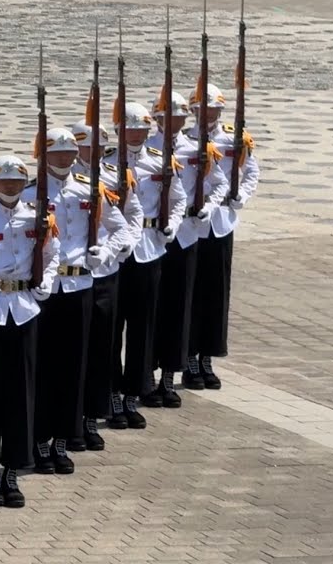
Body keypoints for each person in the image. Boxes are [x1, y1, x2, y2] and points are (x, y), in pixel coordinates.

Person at [22, 127, 131, 475]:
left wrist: (107, 251)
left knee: (74, 366)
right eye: (57, 153)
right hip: (45, 292)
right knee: (43, 367)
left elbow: (124, 229)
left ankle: (62, 441)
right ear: (44, 155)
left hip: (80, 286)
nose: (65, 158)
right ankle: (39, 440)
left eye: (70, 153)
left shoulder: (90, 189)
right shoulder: (29, 193)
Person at [0, 155, 59, 508]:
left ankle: (13, 472)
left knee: (22, 396)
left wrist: (46, 281)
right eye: (4, 182)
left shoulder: (38, 218)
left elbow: (51, 253)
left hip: (23, 311)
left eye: (17, 182)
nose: (10, 187)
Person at [146, 90, 225, 407]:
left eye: (178, 117)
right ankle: (146, 377)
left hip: (188, 234)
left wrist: (209, 205)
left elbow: (218, 182)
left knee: (180, 308)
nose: (173, 122)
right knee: (152, 309)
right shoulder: (145, 150)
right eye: (167, 118)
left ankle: (169, 376)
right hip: (154, 240)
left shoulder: (197, 148)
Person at [107, 103, 185, 424]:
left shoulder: (161, 162)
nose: (136, 133)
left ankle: (132, 393)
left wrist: (173, 225)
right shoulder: (105, 165)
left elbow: (178, 199)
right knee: (113, 329)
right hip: (117, 255)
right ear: (118, 131)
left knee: (143, 326)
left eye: (142, 128)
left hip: (151, 248)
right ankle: (112, 393)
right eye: (130, 128)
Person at [69, 119, 140, 450]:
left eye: (97, 147)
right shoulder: (63, 182)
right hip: (72, 279)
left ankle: (92, 416)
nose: (92, 152)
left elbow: (131, 219)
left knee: (104, 347)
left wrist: (115, 250)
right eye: (85, 147)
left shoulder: (114, 176)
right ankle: (68, 418)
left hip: (106, 273)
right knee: (73, 350)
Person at [183, 83, 259, 391]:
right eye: (201, 110)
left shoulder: (233, 137)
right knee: (190, 294)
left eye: (212, 110)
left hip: (222, 222)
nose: (207, 115)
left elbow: (251, 171)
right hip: (190, 226)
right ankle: (188, 356)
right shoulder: (183, 141)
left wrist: (240, 196)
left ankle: (207, 357)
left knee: (216, 294)